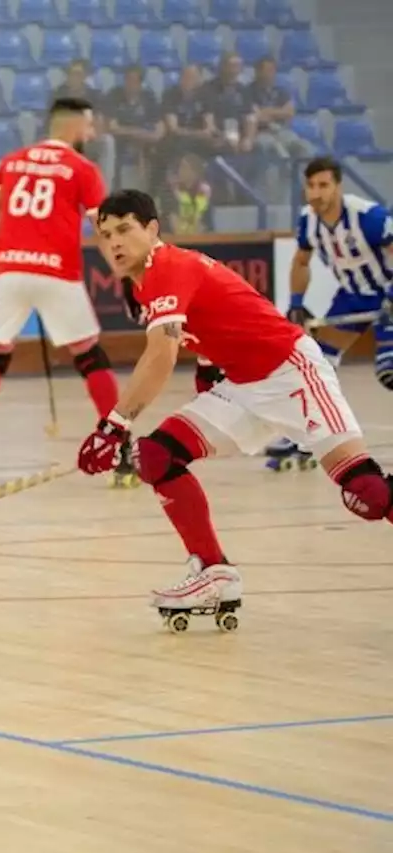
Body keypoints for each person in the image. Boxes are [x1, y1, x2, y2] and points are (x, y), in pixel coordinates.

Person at [80, 189, 393, 631]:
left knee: (368, 492)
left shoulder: (166, 267)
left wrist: (114, 425)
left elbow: (161, 356)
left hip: (291, 373)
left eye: (125, 230)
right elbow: (220, 315)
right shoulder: (145, 280)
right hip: (243, 385)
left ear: (152, 229)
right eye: (105, 234)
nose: (113, 242)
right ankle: (214, 573)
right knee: (157, 456)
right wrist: (210, 373)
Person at [0, 97, 134, 487]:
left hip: (9, 270)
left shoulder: (11, 161)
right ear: (71, 128)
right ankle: (120, 448)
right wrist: (124, 272)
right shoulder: (83, 169)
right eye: (88, 126)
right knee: (89, 356)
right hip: (57, 273)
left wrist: (8, 255)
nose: (92, 133)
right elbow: (104, 230)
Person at [262, 157, 393, 467]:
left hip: (389, 294)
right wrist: (295, 302)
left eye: (323, 185)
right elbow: (301, 262)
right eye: (311, 186)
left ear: (338, 187)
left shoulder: (368, 216)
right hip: (352, 297)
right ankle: (306, 438)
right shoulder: (308, 221)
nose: (316, 192)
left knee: (390, 370)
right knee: (317, 368)